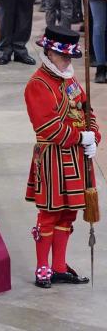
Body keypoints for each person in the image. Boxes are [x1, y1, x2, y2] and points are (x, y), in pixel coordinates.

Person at [25, 26, 99, 288]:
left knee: (68, 215)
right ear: (49, 52)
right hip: (53, 158)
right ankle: (42, 267)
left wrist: (94, 137)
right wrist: (81, 138)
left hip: (76, 159)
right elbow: (47, 127)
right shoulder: (38, 84)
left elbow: (86, 110)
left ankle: (58, 266)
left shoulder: (69, 79)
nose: (67, 61)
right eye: (62, 55)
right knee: (49, 214)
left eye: (69, 56)